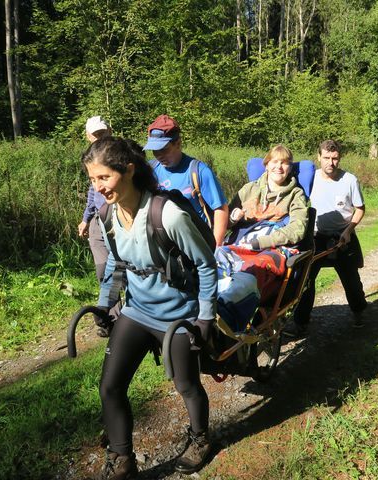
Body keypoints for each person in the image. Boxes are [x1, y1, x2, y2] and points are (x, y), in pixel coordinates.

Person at [83, 137, 217, 479]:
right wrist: (105, 305)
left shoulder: (166, 214)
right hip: (137, 311)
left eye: (104, 178)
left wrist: (204, 318)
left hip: (178, 316)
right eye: (92, 180)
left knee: (187, 385)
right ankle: (122, 459)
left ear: (128, 171)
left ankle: (201, 438)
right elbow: (116, 264)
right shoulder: (106, 215)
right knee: (109, 387)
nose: (98, 188)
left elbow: (205, 264)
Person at [215, 145, 309, 330]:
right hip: (239, 243)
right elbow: (224, 221)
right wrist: (233, 218)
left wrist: (260, 243)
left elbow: (298, 229)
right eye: (275, 162)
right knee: (215, 258)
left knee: (253, 268)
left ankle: (229, 314)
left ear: (290, 167)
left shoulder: (296, 194)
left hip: (271, 248)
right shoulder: (249, 189)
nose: (279, 167)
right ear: (266, 165)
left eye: (285, 163)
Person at [288, 139, 367, 337]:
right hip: (314, 239)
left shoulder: (350, 180)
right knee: (306, 282)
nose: (330, 163)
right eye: (326, 158)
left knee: (351, 281)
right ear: (319, 157)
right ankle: (300, 323)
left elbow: (360, 209)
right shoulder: (309, 180)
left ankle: (359, 314)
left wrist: (349, 230)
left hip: (343, 237)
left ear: (339, 158)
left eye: (335, 158)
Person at [143, 114, 229, 246]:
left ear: (178, 143)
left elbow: (220, 209)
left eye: (164, 149)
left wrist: (215, 247)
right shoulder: (150, 170)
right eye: (155, 150)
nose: (159, 155)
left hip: (196, 242)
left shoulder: (198, 171)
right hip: (164, 244)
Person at [77, 115, 112, 282]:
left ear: (110, 132)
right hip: (98, 218)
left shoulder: (121, 156)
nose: (100, 138)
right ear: (88, 136)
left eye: (103, 133)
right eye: (95, 135)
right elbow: (93, 192)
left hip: (120, 216)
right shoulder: (90, 159)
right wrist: (86, 219)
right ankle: (112, 306)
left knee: (125, 269)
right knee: (104, 272)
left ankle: (129, 304)